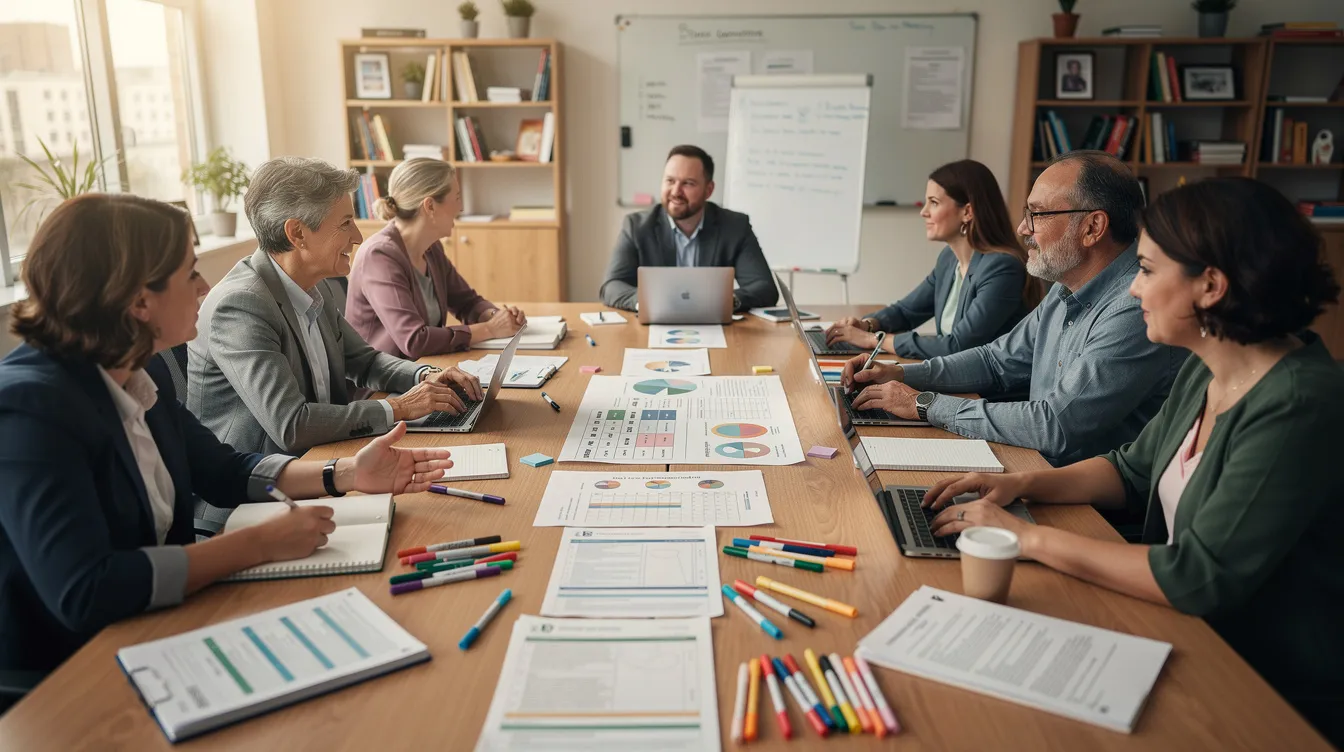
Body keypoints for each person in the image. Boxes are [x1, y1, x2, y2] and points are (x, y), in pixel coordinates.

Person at [921, 177, 1344, 746]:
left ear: (1211, 286)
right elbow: (1131, 469)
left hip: (1260, 685)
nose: (1133, 291)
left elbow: (1199, 576)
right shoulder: (1205, 363)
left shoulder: (1296, 404)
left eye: (1146, 271)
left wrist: (1026, 539)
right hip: (1185, 630)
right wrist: (1018, 484)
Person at [0, 194, 457, 678]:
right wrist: (256, 544)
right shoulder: (29, 409)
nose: (205, 286)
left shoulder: (135, 367)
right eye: (190, 271)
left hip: (157, 629)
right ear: (138, 301)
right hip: (66, 675)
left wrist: (344, 473)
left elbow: (221, 470)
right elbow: (86, 590)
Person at [842, 151, 1186, 466]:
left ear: (1092, 227)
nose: (1023, 228)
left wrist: (924, 403)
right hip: (1033, 465)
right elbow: (996, 361)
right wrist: (900, 374)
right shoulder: (1064, 288)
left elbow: (1055, 425)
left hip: (1085, 506)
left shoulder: (1135, 309)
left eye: (1037, 214)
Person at [188, 157, 484, 456]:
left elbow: (365, 361)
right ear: (298, 233)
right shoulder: (241, 305)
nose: (357, 237)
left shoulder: (312, 286)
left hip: (326, 455)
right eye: (345, 223)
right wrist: (399, 407)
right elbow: (292, 425)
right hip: (267, 484)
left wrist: (426, 375)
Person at [826, 160, 1042, 358]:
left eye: (934, 202)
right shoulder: (949, 259)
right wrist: (868, 325)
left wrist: (873, 340)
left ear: (967, 212)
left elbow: (959, 346)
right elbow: (907, 311)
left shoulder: (1003, 268)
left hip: (987, 395)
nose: (924, 212)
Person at [345, 158, 526, 359]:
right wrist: (490, 330)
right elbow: (414, 340)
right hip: (382, 387)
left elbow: (466, 302)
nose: (461, 208)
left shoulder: (431, 248)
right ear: (430, 205)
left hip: (422, 373)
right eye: (457, 197)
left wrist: (497, 317)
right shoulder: (379, 256)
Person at [599, 144, 778, 312]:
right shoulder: (637, 227)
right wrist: (647, 301)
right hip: (654, 328)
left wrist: (728, 300)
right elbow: (611, 286)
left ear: (708, 190)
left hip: (716, 328)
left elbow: (764, 288)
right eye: (670, 181)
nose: (676, 192)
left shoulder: (734, 226)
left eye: (688, 183)